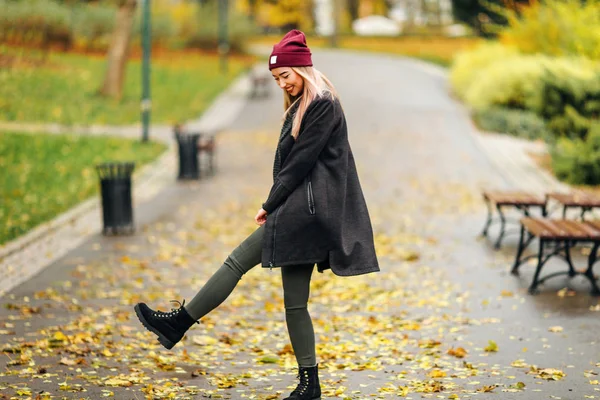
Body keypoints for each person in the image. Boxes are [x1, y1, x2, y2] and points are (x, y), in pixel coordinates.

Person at [134, 29, 379, 400]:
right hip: (308, 211)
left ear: (303, 67)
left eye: (286, 75)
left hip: (304, 211)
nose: (283, 84)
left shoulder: (323, 104)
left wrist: (270, 203)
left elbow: (298, 165)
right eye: (277, 78)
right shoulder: (309, 104)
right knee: (295, 303)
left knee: (235, 262)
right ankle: (309, 383)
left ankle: (178, 324)